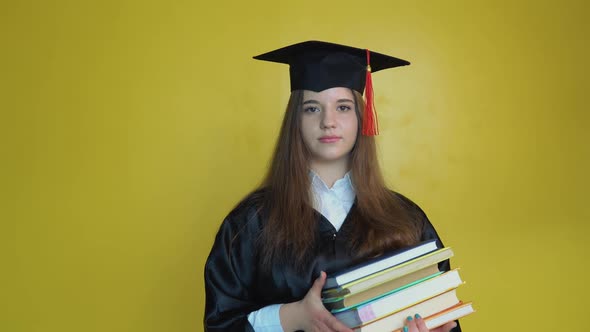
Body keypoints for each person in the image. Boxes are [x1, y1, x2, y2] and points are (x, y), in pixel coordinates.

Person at [204, 41, 461, 332]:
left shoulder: (406, 218)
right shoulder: (250, 222)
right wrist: (293, 317)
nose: (328, 121)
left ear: (361, 119)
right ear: (295, 121)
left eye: (343, 107)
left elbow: (444, 315)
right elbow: (221, 324)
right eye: (312, 108)